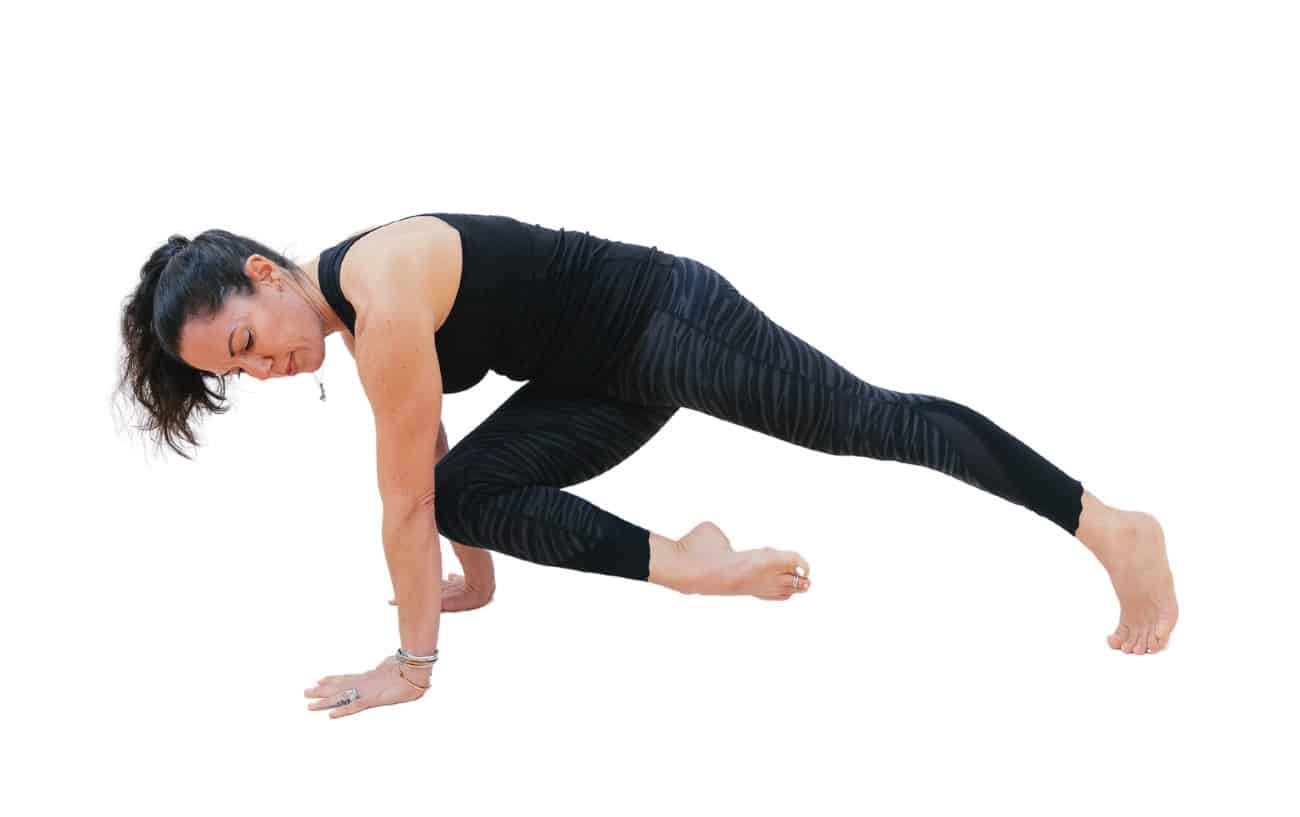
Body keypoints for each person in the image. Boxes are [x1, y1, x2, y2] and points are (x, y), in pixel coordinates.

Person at [115, 213, 1179, 718]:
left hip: (668, 321)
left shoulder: (381, 293)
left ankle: (1107, 524)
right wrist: (477, 575)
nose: (265, 369)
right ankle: (694, 558)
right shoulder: (351, 311)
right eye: (239, 375)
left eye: (248, 344)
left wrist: (412, 664)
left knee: (867, 420)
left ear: (262, 275)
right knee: (475, 489)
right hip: (598, 379)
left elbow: (400, 498)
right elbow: (430, 453)